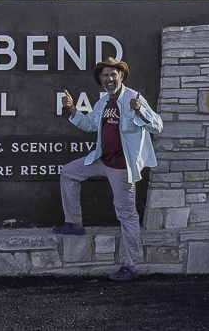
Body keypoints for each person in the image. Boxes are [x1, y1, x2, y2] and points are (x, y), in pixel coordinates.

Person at [54, 57, 163, 281]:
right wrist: (72, 108)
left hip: (122, 167)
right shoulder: (103, 102)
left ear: (121, 76)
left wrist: (140, 111)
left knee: (126, 214)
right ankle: (74, 222)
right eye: (105, 75)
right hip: (103, 160)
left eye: (113, 74)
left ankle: (131, 266)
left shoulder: (133, 98)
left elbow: (157, 126)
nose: (109, 78)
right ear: (101, 79)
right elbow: (90, 125)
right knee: (69, 172)